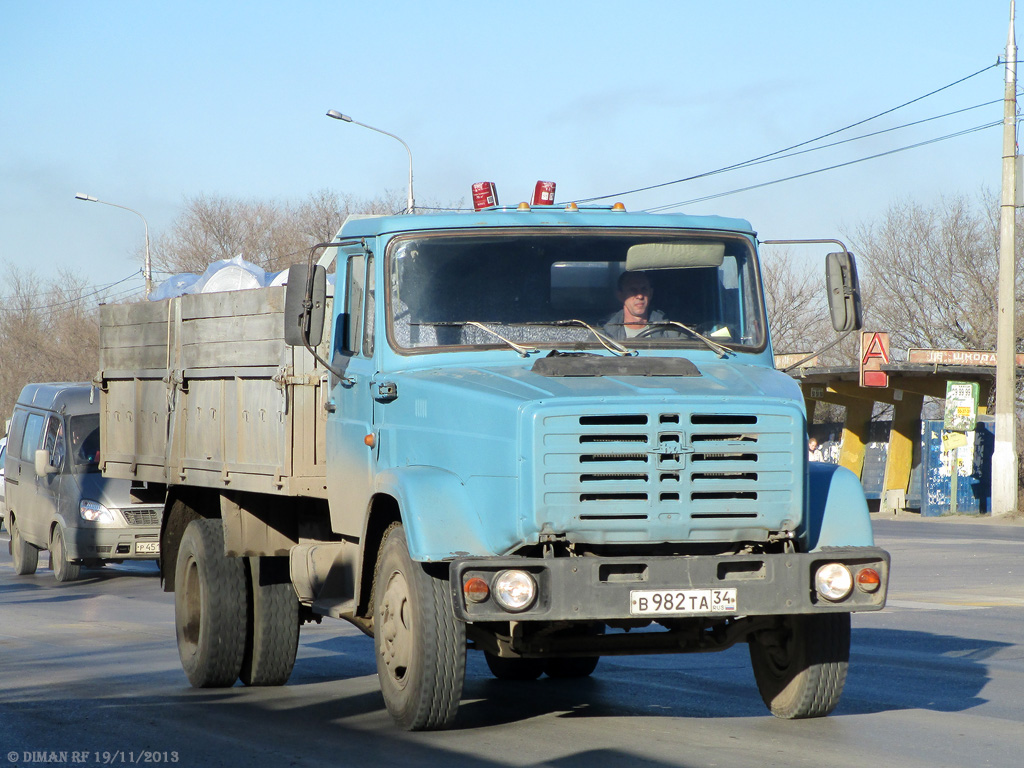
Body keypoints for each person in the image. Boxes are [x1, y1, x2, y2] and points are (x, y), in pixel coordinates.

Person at [602, 271, 668, 340]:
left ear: (650, 293)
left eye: (644, 289)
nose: (640, 296)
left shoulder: (668, 330)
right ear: (620, 296)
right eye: (633, 290)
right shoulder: (603, 336)